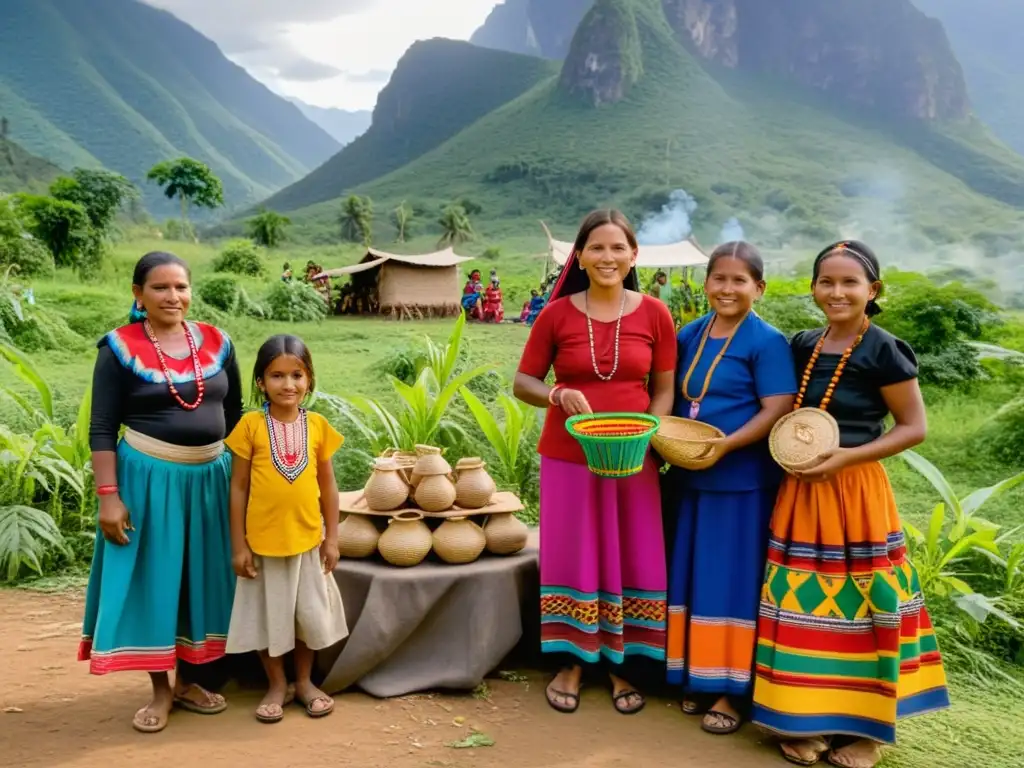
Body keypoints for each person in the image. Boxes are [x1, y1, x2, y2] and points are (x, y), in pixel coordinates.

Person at [751, 240, 950, 768]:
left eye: (849, 283)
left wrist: (846, 459)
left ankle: (868, 732)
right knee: (805, 603)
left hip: (855, 492)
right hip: (800, 494)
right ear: (814, 288)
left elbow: (914, 428)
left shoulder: (885, 349)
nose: (836, 292)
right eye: (826, 282)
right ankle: (806, 720)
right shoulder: (803, 344)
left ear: (872, 290)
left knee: (864, 606)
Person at [513, 209, 677, 716]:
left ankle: (622, 663)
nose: (608, 257)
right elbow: (524, 382)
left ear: (634, 256)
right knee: (575, 554)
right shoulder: (556, 314)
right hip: (568, 456)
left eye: (617, 248)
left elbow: (665, 391)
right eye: (597, 248)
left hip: (634, 458)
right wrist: (558, 393)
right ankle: (573, 661)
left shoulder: (655, 314)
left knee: (629, 552)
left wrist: (646, 434)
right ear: (579, 256)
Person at [79, 251, 243, 734]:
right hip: (149, 481)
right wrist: (109, 495)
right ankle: (160, 689)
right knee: (157, 578)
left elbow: (236, 418)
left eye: (181, 287)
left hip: (211, 481)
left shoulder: (217, 343)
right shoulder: (118, 348)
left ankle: (193, 680)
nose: (173, 297)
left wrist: (245, 482)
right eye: (160, 288)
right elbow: (102, 427)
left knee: (201, 578)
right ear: (138, 295)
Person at [663, 242, 796, 736]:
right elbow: (674, 397)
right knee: (695, 576)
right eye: (719, 278)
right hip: (691, 476)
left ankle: (733, 691)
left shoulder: (767, 341)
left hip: (742, 482)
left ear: (758, 288)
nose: (727, 288)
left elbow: (776, 407)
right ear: (705, 283)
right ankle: (696, 676)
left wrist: (727, 445)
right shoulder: (689, 334)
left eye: (739, 280)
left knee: (734, 582)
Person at [224, 334, 347, 724]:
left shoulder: (319, 426)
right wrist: (239, 545)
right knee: (269, 617)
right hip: (263, 545)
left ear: (309, 379)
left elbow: (328, 485)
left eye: (297, 374)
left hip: (308, 541)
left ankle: (305, 682)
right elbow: (239, 487)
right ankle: (276, 684)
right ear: (261, 381)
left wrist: (333, 537)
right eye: (277, 376)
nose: (288, 385)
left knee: (306, 616)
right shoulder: (250, 426)